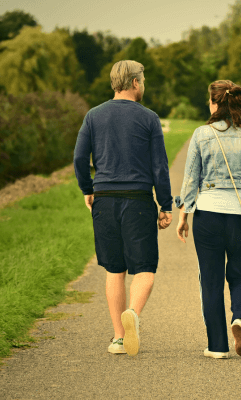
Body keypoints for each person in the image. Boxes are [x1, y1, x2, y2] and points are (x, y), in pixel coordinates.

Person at [174, 80, 241, 359]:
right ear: (239, 103)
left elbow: (190, 180)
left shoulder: (201, 134)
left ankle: (217, 346)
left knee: (210, 280)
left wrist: (183, 216)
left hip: (208, 215)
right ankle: (239, 318)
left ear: (214, 103)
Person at [73, 60, 173, 357]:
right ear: (134, 83)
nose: (143, 85)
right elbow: (159, 166)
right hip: (138, 201)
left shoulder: (93, 116)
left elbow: (80, 158)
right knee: (144, 269)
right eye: (143, 80)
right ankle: (133, 312)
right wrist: (165, 205)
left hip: (104, 199)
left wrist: (87, 189)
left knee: (115, 269)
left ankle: (118, 337)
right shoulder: (149, 118)